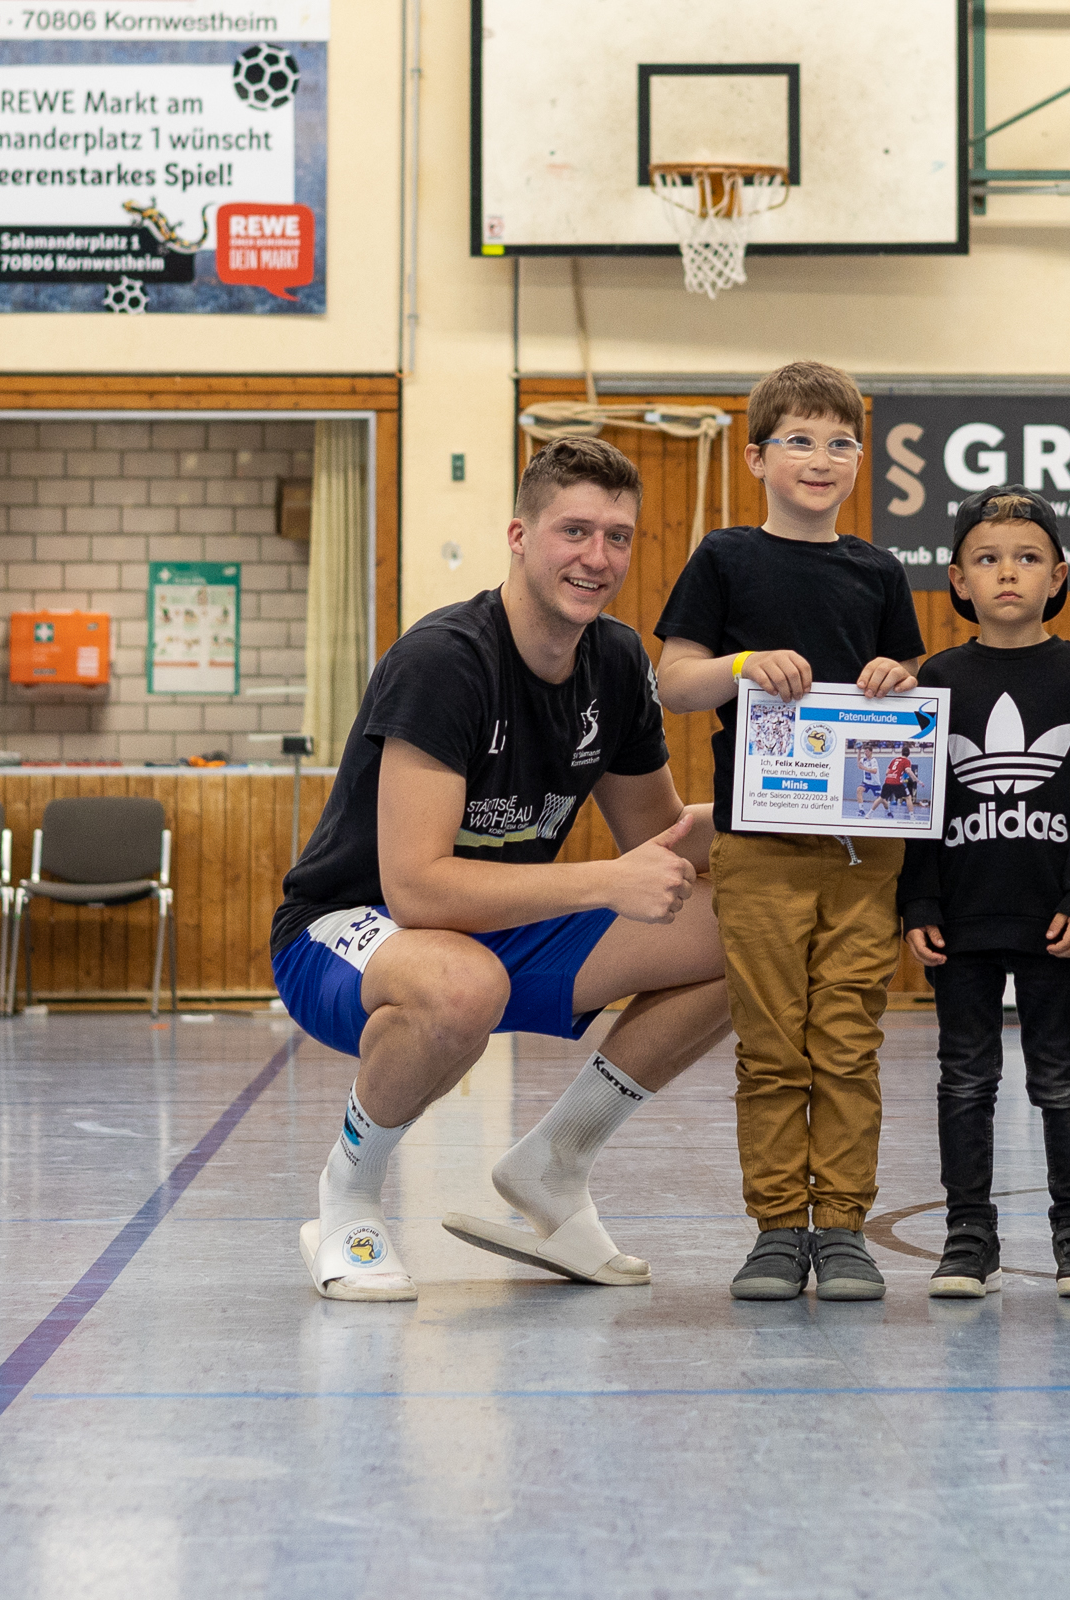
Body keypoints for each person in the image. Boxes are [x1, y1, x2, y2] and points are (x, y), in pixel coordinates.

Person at [270, 435, 729, 1302]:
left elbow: (662, 837)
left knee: (750, 928)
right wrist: (603, 881)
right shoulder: (444, 661)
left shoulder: (619, 661)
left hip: (503, 924)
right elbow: (417, 888)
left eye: (619, 538)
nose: (598, 558)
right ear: (520, 536)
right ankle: (350, 1193)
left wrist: (795, 811)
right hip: (353, 931)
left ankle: (556, 1163)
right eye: (574, 532)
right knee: (461, 985)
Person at [654, 360, 926, 1302]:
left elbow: (910, 688)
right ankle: (777, 1228)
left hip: (865, 848)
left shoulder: (878, 570)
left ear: (861, 460)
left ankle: (842, 1225)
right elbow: (673, 682)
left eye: (840, 441)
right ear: (758, 456)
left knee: (848, 1039)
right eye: (799, 440)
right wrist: (741, 664)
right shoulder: (726, 558)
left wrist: (895, 675)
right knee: (774, 1041)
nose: (821, 457)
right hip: (761, 845)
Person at [900, 487, 1070, 1299]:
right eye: (988, 560)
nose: (1007, 574)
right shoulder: (938, 676)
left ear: (1058, 575)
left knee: (1062, 1078)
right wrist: (917, 903)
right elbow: (914, 801)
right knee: (964, 1077)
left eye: (1027, 559)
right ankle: (968, 1238)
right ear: (957, 579)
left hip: (1053, 917)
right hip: (958, 918)